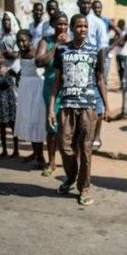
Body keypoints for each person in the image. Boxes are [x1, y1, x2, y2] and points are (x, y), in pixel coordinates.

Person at [48, 14, 110, 206]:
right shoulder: (62, 50)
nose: (82, 29)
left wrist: (107, 106)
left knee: (85, 149)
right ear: (72, 28)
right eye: (79, 26)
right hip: (66, 105)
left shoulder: (95, 50)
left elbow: (100, 79)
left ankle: (84, 189)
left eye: (85, 26)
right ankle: (71, 175)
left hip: (88, 107)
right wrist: (51, 108)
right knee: (64, 146)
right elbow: (57, 80)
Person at [36, 11, 69, 177]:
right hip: (50, 86)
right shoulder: (46, 40)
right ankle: (51, 161)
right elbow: (39, 61)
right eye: (59, 24)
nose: (62, 27)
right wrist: (56, 45)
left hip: (69, 87)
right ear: (53, 25)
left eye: (65, 24)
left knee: (70, 126)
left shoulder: (72, 40)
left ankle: (70, 160)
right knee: (52, 126)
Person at [76, 0, 109, 150]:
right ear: (78, 4)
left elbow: (102, 47)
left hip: (95, 65)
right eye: (83, 3)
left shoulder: (98, 23)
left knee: (98, 102)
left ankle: (97, 136)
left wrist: (100, 70)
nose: (86, 5)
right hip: (78, 66)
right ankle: (82, 135)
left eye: (88, 2)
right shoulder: (74, 21)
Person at [14, 30, 47, 169]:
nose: (21, 44)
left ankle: (41, 158)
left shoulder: (36, 53)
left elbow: (41, 68)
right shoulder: (21, 53)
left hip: (36, 89)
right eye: (19, 41)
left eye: (24, 41)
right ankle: (35, 154)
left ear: (30, 40)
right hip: (25, 89)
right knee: (28, 121)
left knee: (36, 121)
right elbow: (21, 69)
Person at [0, 49, 18, 159]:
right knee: (2, 127)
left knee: (12, 126)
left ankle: (15, 150)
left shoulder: (8, 71)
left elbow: (12, 84)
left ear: (2, 58)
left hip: (8, 102)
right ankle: (4, 150)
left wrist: (6, 75)